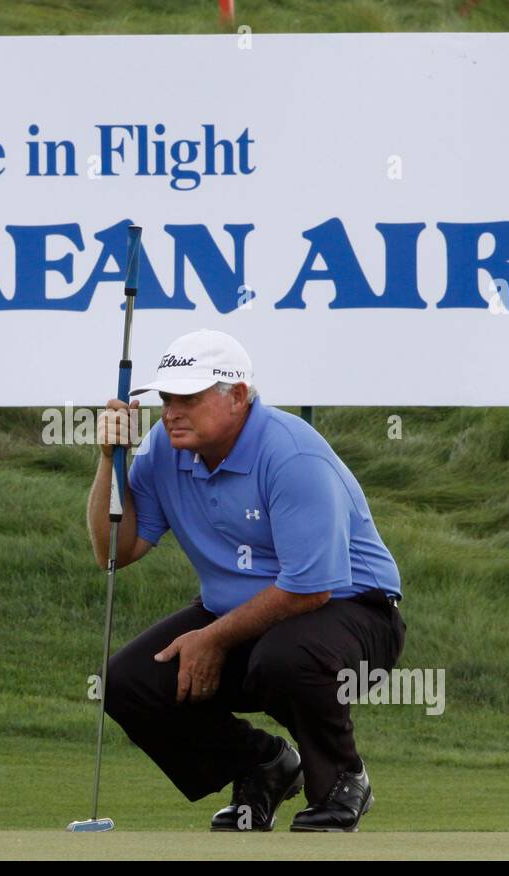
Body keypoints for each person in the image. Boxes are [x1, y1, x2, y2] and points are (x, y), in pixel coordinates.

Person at [87, 328, 406, 832]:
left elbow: (311, 587)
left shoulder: (291, 454)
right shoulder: (164, 448)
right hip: (244, 616)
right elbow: (113, 552)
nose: (171, 411)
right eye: (167, 398)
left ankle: (344, 776)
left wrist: (213, 638)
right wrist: (110, 460)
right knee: (130, 682)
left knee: (283, 659)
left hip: (353, 612)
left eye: (188, 398)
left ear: (236, 396)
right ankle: (261, 766)